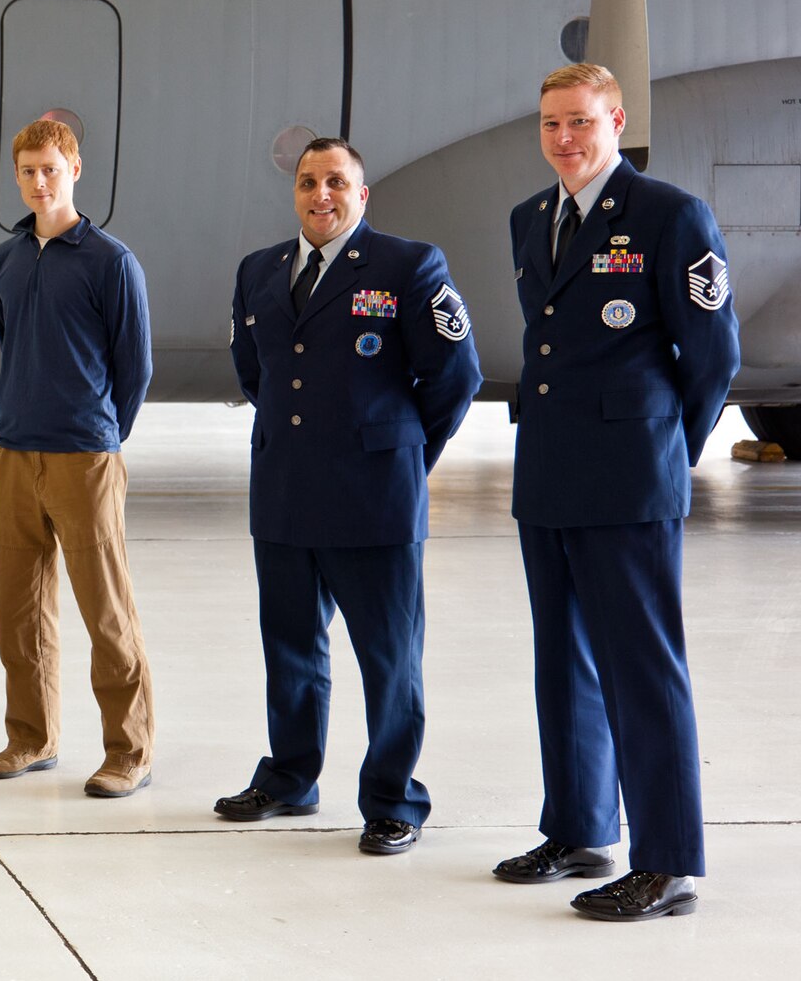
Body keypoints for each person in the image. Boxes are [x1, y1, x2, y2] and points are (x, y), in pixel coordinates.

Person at [496, 63, 740, 921]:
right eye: (552, 123)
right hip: (551, 474)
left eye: (582, 122)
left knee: (642, 669)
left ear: (616, 120)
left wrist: (666, 450)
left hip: (630, 479)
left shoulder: (669, 215)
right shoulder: (533, 219)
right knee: (561, 662)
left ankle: (669, 861)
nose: (566, 137)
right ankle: (579, 828)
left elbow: (712, 356)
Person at [218, 138, 481, 853]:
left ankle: (394, 799)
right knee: (291, 647)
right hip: (285, 492)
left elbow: (456, 375)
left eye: (336, 181)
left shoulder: (407, 267)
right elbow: (256, 373)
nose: (320, 193)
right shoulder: (259, 271)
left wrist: (402, 452)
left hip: (375, 499)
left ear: (362, 194)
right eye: (308, 181)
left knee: (389, 658)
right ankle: (289, 776)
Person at [0, 118, 157, 798]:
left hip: (84, 454)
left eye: (50, 168)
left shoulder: (111, 261)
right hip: (13, 451)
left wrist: (103, 436)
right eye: (27, 170)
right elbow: (13, 337)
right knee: (17, 610)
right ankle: (31, 735)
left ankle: (129, 749)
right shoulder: (6, 260)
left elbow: (132, 366)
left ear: (75, 169)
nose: (38, 181)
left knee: (105, 610)